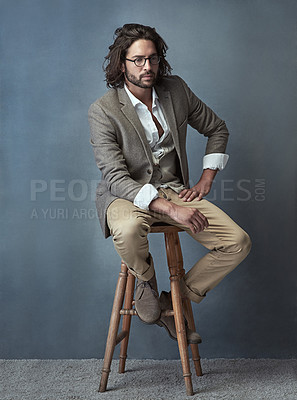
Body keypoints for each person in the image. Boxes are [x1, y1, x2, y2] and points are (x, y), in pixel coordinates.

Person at [88, 23, 251, 344]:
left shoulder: (175, 90)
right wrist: (170, 210)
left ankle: (170, 301)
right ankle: (146, 284)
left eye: (153, 58)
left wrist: (207, 177)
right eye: (138, 60)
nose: (147, 67)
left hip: (175, 189)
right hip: (125, 195)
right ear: (122, 63)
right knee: (129, 229)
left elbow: (217, 128)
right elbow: (115, 177)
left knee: (238, 242)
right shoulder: (103, 111)